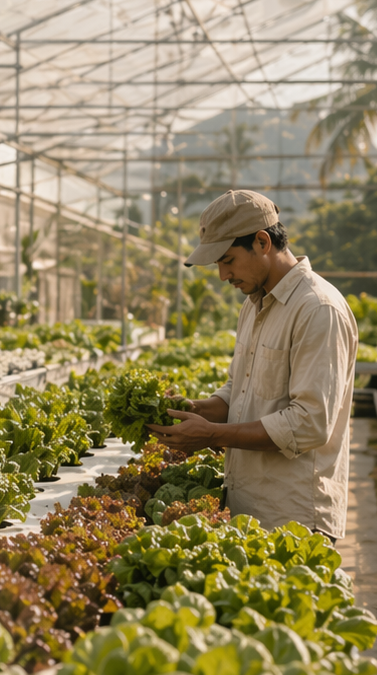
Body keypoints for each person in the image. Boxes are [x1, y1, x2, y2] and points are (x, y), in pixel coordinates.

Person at [146, 190, 359, 539]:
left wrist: (211, 434)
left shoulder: (318, 309)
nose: (222, 275)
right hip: (249, 508)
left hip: (296, 519)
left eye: (227, 260)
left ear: (262, 242)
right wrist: (194, 409)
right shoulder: (254, 303)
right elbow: (240, 390)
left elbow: (309, 423)